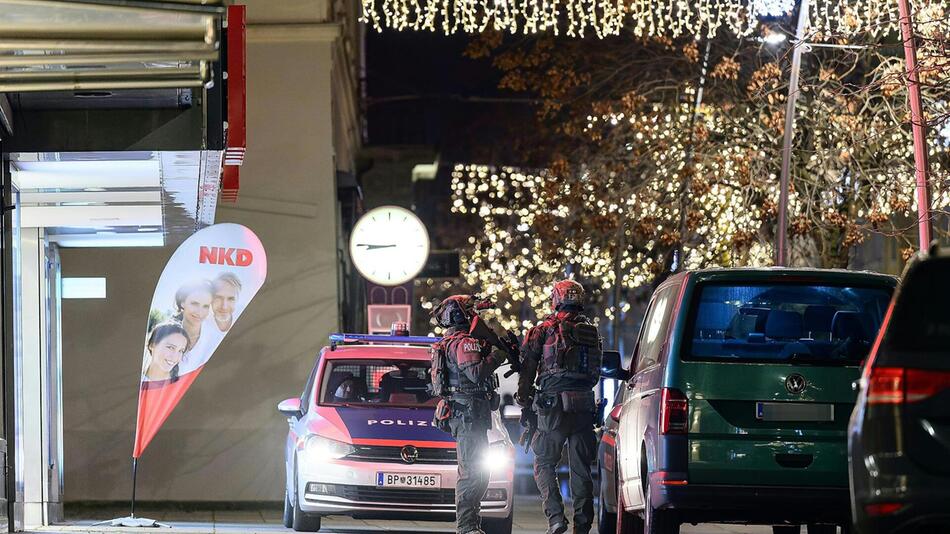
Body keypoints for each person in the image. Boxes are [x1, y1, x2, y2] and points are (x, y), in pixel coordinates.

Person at [518, 280, 603, 534]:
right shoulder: (591, 332)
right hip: (584, 407)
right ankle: (583, 525)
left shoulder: (542, 330)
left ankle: (556, 518)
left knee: (543, 462)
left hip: (551, 407)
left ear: (556, 298)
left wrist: (524, 401)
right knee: (581, 469)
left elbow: (527, 372)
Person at [430, 295, 505, 534]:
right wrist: (496, 356)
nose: (475, 314)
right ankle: (466, 527)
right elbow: (475, 373)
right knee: (472, 472)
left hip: (468, 414)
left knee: (479, 472)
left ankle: (471, 524)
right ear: (460, 314)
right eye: (470, 310)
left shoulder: (451, 341)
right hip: (468, 415)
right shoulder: (464, 343)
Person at [175, 279, 225, 374]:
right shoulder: (165, 333)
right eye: (194, 304)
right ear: (183, 302)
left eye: (205, 306)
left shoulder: (216, 340)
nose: (200, 312)